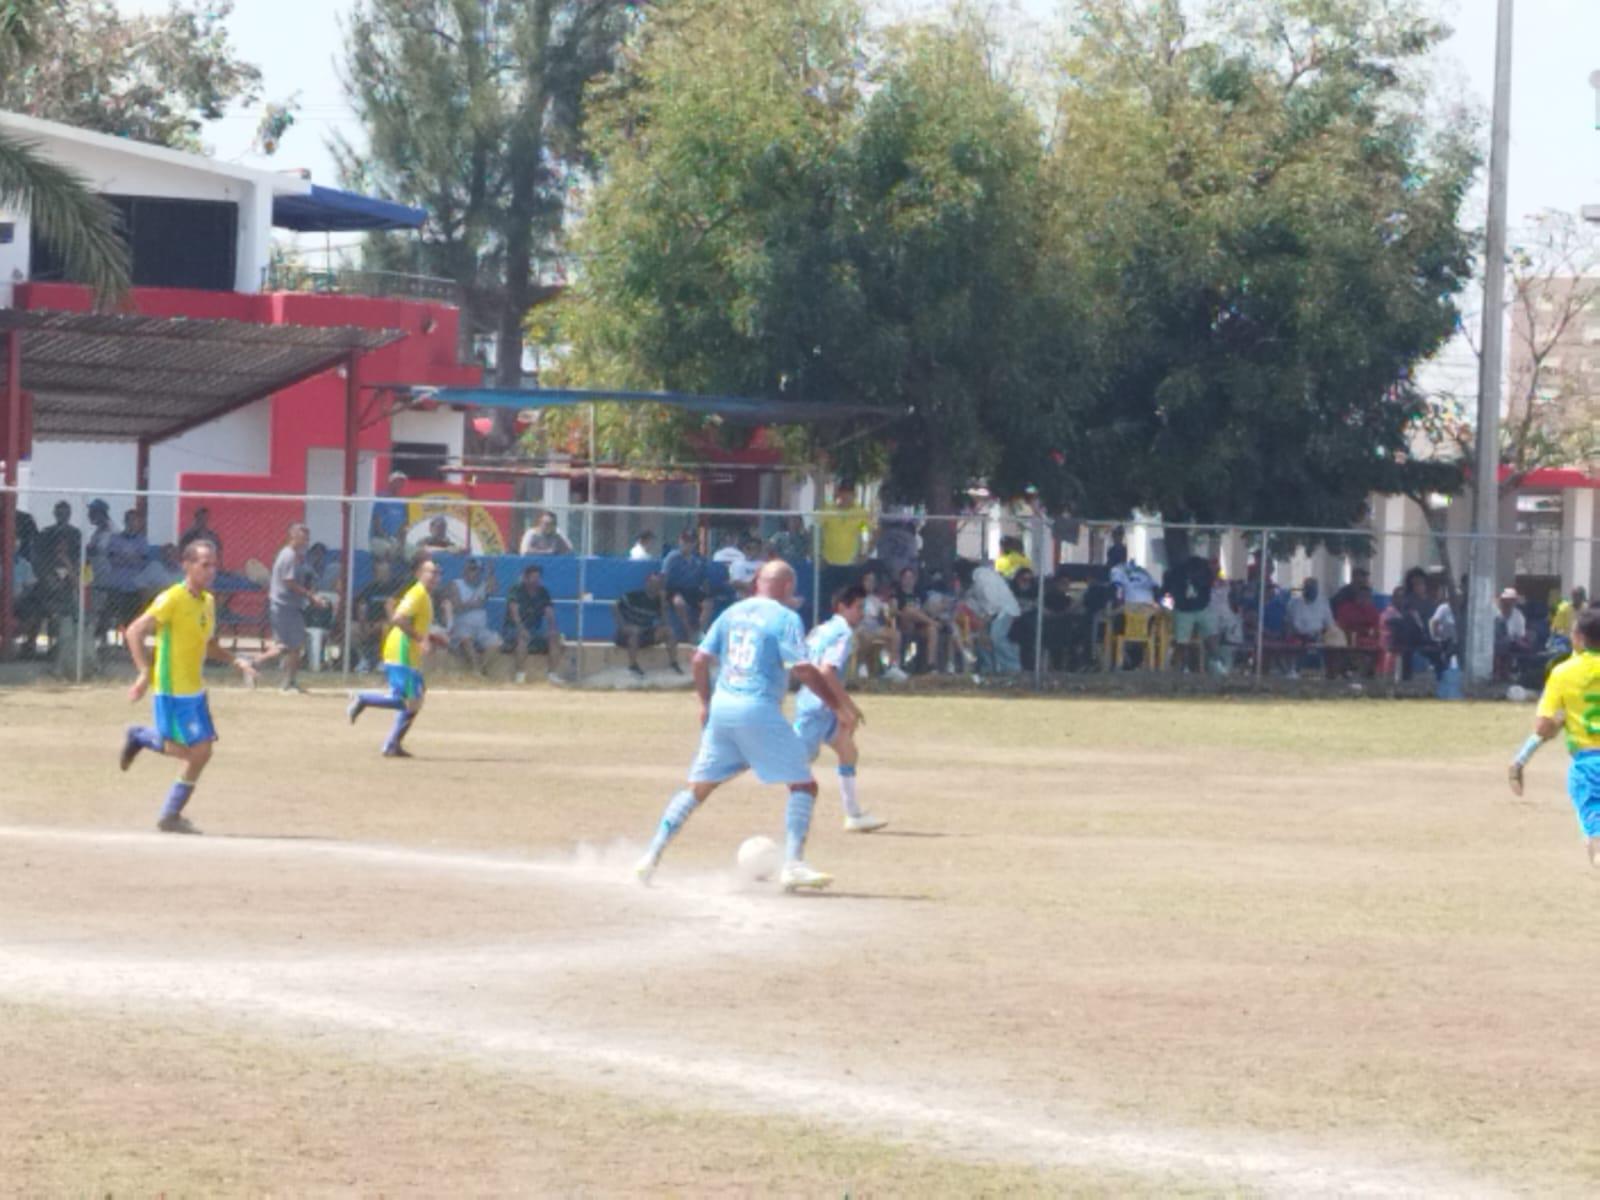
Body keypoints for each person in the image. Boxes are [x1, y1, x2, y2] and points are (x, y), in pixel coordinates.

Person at [634, 560, 847, 891]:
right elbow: (803, 669)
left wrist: (703, 702)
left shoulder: (732, 612)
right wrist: (836, 705)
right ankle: (793, 864)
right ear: (789, 587)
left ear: (757, 583)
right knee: (803, 785)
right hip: (757, 708)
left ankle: (650, 857)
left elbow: (699, 659)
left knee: (697, 788)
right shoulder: (786, 618)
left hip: (723, 708)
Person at [117, 540, 258, 833]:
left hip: (195, 691)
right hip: (171, 691)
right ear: (187, 565)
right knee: (194, 753)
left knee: (200, 753)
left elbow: (207, 644)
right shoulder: (172, 599)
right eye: (204, 564)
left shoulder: (207, 601)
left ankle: (169, 813)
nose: (211, 571)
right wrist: (145, 672)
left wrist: (236, 661)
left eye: (214, 565)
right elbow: (134, 631)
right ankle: (143, 742)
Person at [1508, 608, 1600, 867]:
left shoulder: (1563, 672)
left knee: (1596, 845)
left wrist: (1522, 758)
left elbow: (1543, 725)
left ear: (1579, 637)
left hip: (1589, 767)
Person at [794, 585, 883, 832]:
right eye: (858, 608)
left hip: (821, 706)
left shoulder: (821, 629)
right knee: (794, 763)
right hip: (816, 707)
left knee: (848, 751)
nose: (862, 613)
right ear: (842, 607)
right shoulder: (843, 633)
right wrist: (847, 706)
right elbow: (826, 671)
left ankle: (853, 814)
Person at [347, 554, 442, 758]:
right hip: (401, 650)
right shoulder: (417, 593)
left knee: (416, 698)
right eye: (431, 572)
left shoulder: (423, 595)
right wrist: (419, 639)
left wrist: (428, 637)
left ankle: (392, 744)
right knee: (405, 700)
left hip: (409, 652)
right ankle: (362, 698)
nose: (436, 576)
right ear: (418, 574)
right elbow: (399, 618)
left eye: (438, 573)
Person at [252, 523, 329, 692]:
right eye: (303, 537)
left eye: (307, 537)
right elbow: (289, 582)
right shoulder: (288, 555)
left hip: (291, 607)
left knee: (294, 646)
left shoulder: (295, 556)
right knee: (287, 647)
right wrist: (311, 596)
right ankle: (256, 664)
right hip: (283, 607)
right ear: (293, 536)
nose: (306, 541)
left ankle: (288, 682)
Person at [505, 563, 563, 683]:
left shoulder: (543, 592)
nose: (536, 580)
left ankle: (552, 675)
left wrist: (552, 628)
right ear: (526, 578)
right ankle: (520, 675)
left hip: (535, 629)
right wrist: (521, 628)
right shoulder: (516, 590)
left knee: (554, 638)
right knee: (522, 638)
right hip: (514, 628)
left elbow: (549, 611)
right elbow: (513, 611)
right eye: (533, 577)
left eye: (538, 577)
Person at [614, 572, 679, 678]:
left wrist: (662, 602)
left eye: (658, 584)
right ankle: (633, 666)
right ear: (647, 583)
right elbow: (615, 606)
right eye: (653, 583)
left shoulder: (658, 602)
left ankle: (673, 663)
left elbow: (664, 622)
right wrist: (623, 625)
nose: (655, 587)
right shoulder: (635, 596)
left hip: (644, 633)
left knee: (668, 631)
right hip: (627, 634)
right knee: (634, 632)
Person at [445, 558, 501, 674]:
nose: (475, 573)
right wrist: (472, 605)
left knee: (496, 642)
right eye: (472, 570)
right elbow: (455, 606)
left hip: (481, 628)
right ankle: (476, 670)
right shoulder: (456, 584)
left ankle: (481, 669)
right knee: (466, 639)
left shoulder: (482, 585)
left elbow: (494, 589)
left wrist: (491, 573)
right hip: (462, 625)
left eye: (479, 571)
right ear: (465, 571)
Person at [1163, 552, 1216, 672]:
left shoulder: (1203, 571)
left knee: (1212, 634)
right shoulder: (1176, 573)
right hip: (1184, 609)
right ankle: (1177, 667)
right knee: (1182, 642)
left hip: (1201, 607)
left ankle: (1215, 661)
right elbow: (1167, 589)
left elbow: (1208, 586)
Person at [853, 568, 909, 681]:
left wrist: (889, 609)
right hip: (860, 626)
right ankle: (861, 666)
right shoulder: (855, 597)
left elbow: (886, 615)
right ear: (862, 581)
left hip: (875, 626)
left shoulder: (875, 599)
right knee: (865, 636)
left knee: (895, 635)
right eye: (868, 580)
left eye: (873, 581)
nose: (871, 583)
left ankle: (893, 667)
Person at [661, 528, 712, 641]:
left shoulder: (698, 560)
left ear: (694, 543)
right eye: (684, 540)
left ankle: (698, 631)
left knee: (708, 603)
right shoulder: (672, 557)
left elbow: (704, 580)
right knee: (679, 603)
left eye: (690, 541)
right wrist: (662, 597)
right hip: (675, 589)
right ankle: (689, 632)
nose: (686, 544)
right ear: (680, 541)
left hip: (692, 589)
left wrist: (706, 593)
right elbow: (664, 578)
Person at [894, 565, 941, 673]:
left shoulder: (919, 593)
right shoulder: (897, 593)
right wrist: (906, 613)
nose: (909, 580)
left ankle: (931, 665)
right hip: (904, 625)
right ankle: (933, 622)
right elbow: (893, 609)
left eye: (911, 578)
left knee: (932, 630)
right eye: (906, 578)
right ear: (901, 579)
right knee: (909, 610)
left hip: (919, 626)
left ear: (915, 579)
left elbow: (927, 607)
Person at [369, 471, 408, 559]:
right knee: (388, 550)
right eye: (397, 481)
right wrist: (389, 538)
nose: (400, 484)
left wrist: (400, 542)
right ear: (390, 482)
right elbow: (377, 524)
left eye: (402, 482)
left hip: (395, 540)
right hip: (379, 539)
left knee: (409, 552)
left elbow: (403, 525)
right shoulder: (381, 498)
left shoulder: (402, 502)